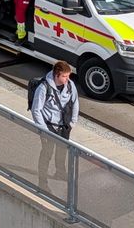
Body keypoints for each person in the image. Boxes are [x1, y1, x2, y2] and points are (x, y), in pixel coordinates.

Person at [31, 60, 78, 191]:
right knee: (47, 153)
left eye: (68, 76)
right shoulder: (43, 88)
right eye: (64, 76)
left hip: (64, 125)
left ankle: (60, 172)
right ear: (56, 75)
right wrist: (43, 130)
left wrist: (72, 122)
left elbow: (75, 103)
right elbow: (36, 110)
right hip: (48, 126)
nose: (67, 79)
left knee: (62, 150)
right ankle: (42, 182)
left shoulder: (70, 85)